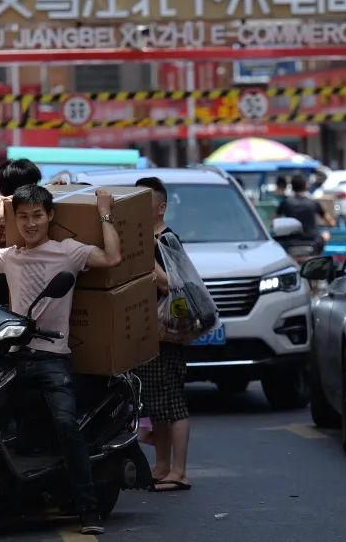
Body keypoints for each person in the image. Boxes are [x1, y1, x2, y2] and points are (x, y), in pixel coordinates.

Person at [0, 184, 122, 535]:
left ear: (49, 216)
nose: (31, 224)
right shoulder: (10, 256)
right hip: (12, 357)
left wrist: (105, 212)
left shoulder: (68, 252)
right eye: (23, 217)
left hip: (53, 358)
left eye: (37, 216)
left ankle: (88, 510)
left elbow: (112, 259)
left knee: (66, 427)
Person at [133, 177, 192, 493]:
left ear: (161, 207)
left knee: (173, 402)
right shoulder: (146, 238)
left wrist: (143, 255)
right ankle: (162, 466)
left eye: (145, 203)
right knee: (156, 404)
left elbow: (171, 284)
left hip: (168, 330)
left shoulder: (167, 239)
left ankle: (180, 472)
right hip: (149, 331)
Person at [277, 174, 336, 254]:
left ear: (292, 187)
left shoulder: (285, 203)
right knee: (326, 235)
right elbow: (331, 222)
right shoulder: (313, 203)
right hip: (312, 242)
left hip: (290, 243)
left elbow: (275, 220)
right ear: (306, 186)